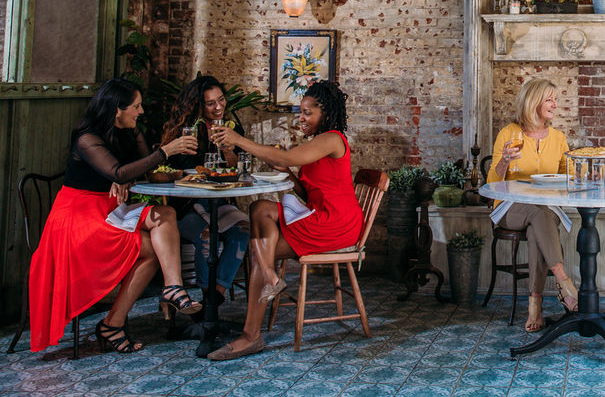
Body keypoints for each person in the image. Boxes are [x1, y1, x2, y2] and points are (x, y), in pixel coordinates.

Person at [29, 78, 201, 353]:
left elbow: (139, 171)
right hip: (77, 218)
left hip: (108, 208)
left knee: (165, 213)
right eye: (136, 106)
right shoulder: (87, 139)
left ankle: (172, 287)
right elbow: (118, 172)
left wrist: (129, 172)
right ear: (116, 110)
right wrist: (164, 151)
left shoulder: (129, 132)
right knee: (153, 250)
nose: (141, 112)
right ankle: (113, 324)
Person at [204, 80, 363, 360]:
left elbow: (288, 155)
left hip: (335, 222)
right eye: (300, 112)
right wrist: (288, 172)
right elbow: (305, 191)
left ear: (324, 113)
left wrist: (238, 140)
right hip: (321, 214)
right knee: (261, 208)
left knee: (261, 245)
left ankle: (250, 335)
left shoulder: (332, 139)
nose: (300, 119)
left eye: (306, 113)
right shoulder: (318, 142)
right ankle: (269, 275)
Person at [487, 78, 577, 332]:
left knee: (539, 221)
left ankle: (534, 305)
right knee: (539, 214)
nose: (555, 104)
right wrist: (504, 161)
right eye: (549, 99)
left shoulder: (558, 138)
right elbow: (493, 181)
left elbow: (568, 175)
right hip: (509, 207)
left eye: (555, 99)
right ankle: (564, 282)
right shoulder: (508, 134)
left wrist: (583, 174)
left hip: (545, 210)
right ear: (533, 101)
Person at [161, 75, 251, 307]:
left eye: (221, 100)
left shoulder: (231, 128)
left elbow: (237, 169)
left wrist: (229, 150)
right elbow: (170, 171)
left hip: (217, 204)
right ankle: (204, 294)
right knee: (206, 234)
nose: (219, 107)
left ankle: (214, 298)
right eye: (211, 103)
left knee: (243, 229)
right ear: (198, 105)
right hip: (185, 207)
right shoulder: (184, 131)